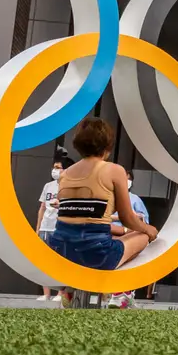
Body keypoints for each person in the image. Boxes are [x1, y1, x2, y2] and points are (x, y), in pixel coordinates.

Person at [48, 117, 156, 304]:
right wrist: (148, 230)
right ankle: (118, 292)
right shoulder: (114, 170)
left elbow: (81, 219)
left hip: (60, 252)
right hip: (96, 253)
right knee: (142, 237)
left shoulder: (65, 174)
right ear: (107, 145)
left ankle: (73, 288)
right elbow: (127, 218)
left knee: (115, 239)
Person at [33, 155, 66, 300]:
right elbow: (42, 207)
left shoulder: (69, 185)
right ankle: (46, 293)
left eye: (58, 167)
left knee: (60, 261)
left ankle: (60, 292)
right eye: (54, 167)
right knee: (43, 261)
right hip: (45, 227)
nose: (55, 170)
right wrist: (38, 228)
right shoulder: (48, 186)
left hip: (59, 228)